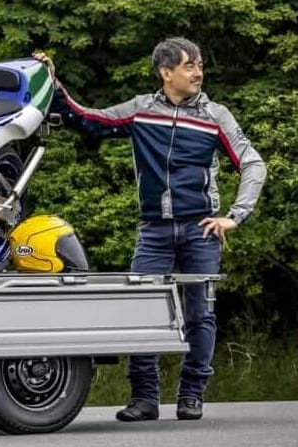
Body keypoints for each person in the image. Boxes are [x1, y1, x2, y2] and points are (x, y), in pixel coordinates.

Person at [33, 38, 266, 422]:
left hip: (201, 229)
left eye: (200, 65)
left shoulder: (215, 115)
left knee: (200, 316)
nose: (198, 72)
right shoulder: (142, 110)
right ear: (166, 72)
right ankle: (144, 399)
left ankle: (191, 396)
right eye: (190, 66)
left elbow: (253, 164)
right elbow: (87, 119)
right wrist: (52, 82)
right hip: (154, 230)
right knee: (142, 311)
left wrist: (235, 216)